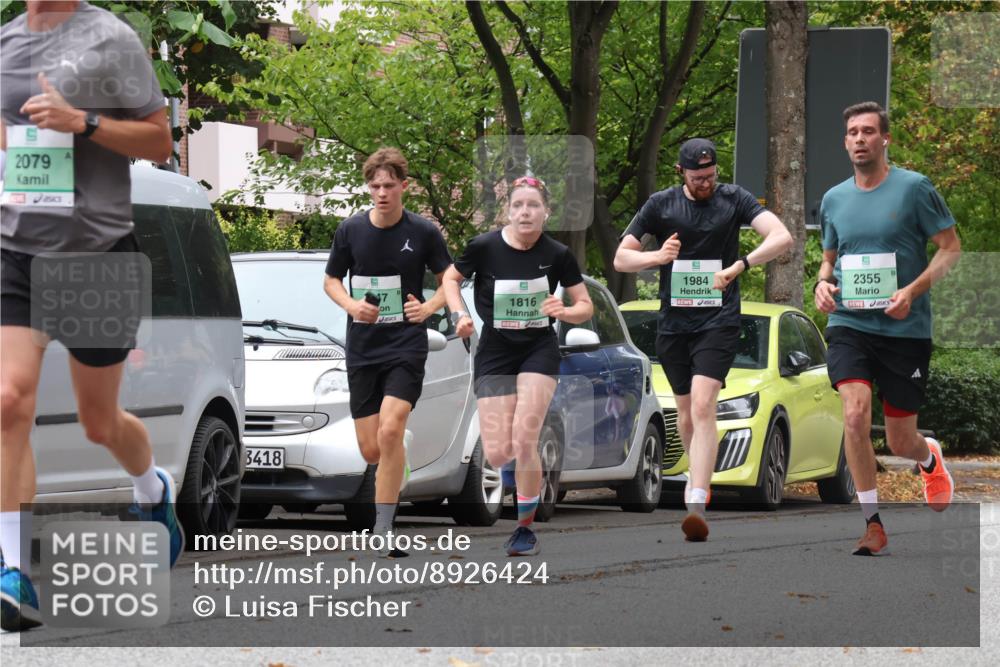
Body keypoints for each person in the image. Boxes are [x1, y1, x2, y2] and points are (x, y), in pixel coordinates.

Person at [1, 0, 177, 631]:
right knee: (8, 400)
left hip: (96, 253)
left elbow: (160, 139)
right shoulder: (5, 43)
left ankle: (151, 487)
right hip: (16, 248)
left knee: (99, 421)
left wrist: (83, 121)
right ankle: (12, 570)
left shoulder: (111, 37)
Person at [614, 138, 792, 542]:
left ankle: (696, 502)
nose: (706, 183)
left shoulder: (734, 199)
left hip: (719, 319)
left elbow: (781, 237)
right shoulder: (660, 205)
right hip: (674, 324)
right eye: (698, 178)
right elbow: (621, 259)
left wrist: (739, 266)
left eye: (711, 176)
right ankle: (699, 480)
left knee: (703, 401)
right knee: (686, 415)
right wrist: (656, 258)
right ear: (682, 174)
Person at [814, 101, 960, 556]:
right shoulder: (834, 198)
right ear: (845, 142)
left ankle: (927, 456)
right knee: (855, 413)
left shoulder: (914, 188)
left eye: (868, 131)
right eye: (852, 132)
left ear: (885, 139)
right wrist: (821, 284)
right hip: (850, 323)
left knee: (900, 439)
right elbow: (829, 259)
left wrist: (911, 292)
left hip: (905, 330)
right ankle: (872, 523)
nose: (860, 139)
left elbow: (950, 248)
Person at [444, 175, 592, 556]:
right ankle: (520, 478)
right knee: (496, 452)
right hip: (496, 349)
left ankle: (524, 528)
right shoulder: (484, 247)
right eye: (518, 205)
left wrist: (567, 311)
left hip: (538, 348)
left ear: (546, 211)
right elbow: (450, 278)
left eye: (533, 205)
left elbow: (584, 305)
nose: (525, 212)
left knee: (526, 437)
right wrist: (459, 313)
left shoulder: (558, 254)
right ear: (508, 211)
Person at [323, 147, 451, 558]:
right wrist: (351, 306)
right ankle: (398, 464)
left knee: (392, 428)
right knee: (372, 449)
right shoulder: (350, 231)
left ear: (403, 187)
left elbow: (450, 276)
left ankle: (383, 527)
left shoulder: (423, 232)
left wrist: (430, 307)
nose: (381, 192)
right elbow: (330, 281)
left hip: (405, 344)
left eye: (389, 185)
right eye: (375, 185)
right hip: (363, 347)